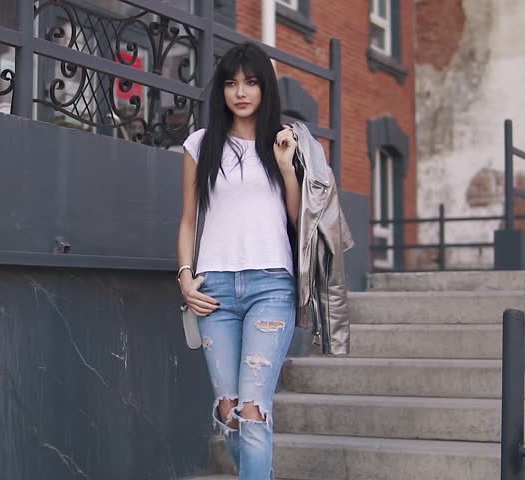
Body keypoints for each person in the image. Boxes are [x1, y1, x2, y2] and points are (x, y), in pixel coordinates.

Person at [176, 41, 299, 480]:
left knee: (252, 408)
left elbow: (297, 219)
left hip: (271, 286)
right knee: (228, 410)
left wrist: (287, 166)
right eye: (231, 83)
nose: (240, 92)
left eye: (250, 83)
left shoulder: (282, 142)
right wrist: (185, 277)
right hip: (215, 291)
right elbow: (189, 220)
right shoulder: (200, 145)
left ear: (265, 88)